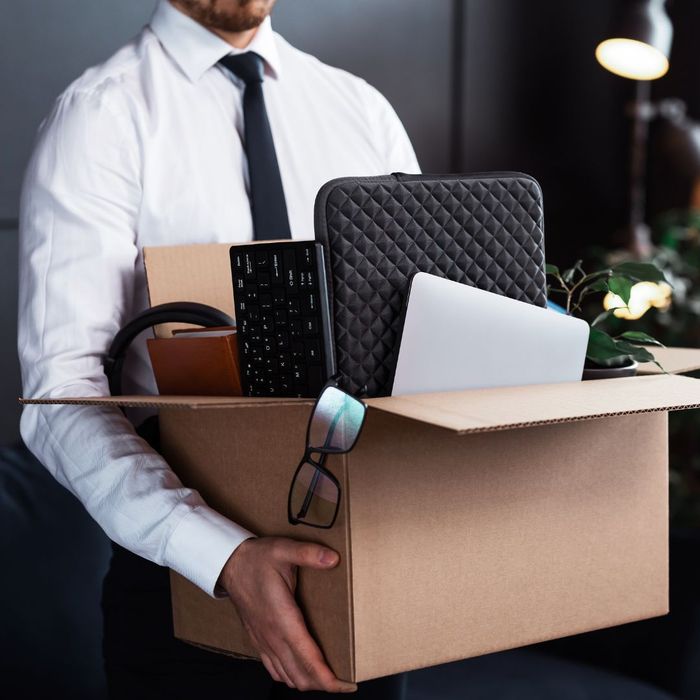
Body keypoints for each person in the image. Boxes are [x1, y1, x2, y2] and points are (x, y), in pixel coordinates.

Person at [18, 0, 419, 697]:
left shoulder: (361, 109)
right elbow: (60, 395)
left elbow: (419, 335)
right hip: (187, 589)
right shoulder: (100, 116)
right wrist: (221, 555)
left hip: (365, 575)